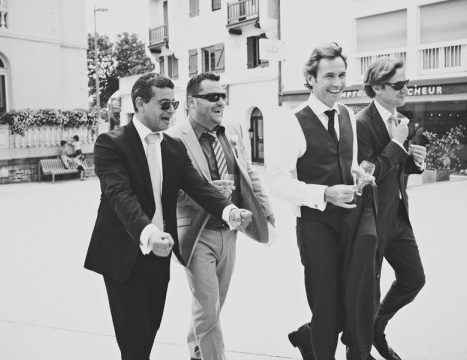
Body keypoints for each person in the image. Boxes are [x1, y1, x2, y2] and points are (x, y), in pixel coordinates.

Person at [83, 72, 253, 360]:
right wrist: (149, 234)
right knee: (134, 339)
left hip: (160, 253)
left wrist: (230, 211)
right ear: (140, 104)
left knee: (149, 329)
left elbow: (199, 187)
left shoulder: (173, 148)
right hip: (123, 251)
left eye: (174, 104)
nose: (171, 111)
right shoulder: (110, 143)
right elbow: (120, 195)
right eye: (164, 104)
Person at [268, 43, 377, 360]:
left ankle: (308, 337)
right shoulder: (293, 122)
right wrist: (324, 193)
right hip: (315, 225)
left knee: (350, 299)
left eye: (342, 75)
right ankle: (319, 346)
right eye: (329, 76)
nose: (338, 83)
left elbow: (348, 163)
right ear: (311, 78)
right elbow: (276, 180)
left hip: (350, 222)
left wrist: (360, 176)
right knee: (326, 305)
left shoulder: (348, 115)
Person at [165, 72, 275, 360]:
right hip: (197, 234)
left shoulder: (234, 129)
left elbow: (248, 174)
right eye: (212, 96)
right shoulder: (173, 138)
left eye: (223, 95)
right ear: (191, 101)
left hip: (230, 231)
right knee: (207, 306)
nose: (221, 101)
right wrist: (205, 192)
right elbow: (167, 192)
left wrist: (266, 211)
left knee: (214, 304)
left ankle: (197, 351)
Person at [355, 57, 426, 360]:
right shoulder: (360, 123)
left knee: (414, 278)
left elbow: (396, 168)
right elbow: (369, 174)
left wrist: (414, 162)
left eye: (406, 83)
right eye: (398, 85)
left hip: (398, 215)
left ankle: (376, 327)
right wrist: (397, 145)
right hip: (371, 219)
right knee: (367, 293)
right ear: (377, 88)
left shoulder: (400, 121)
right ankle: (358, 349)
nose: (405, 89)